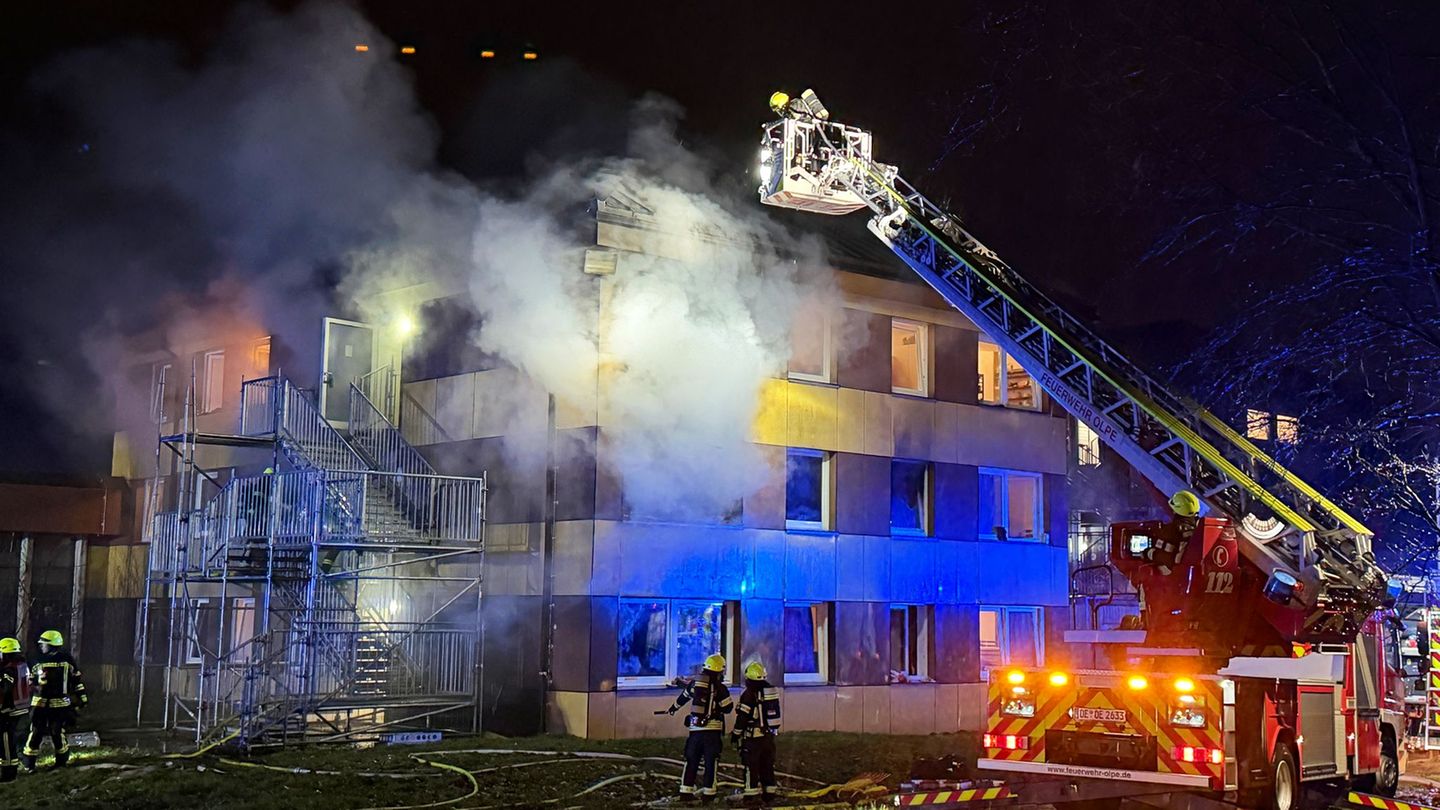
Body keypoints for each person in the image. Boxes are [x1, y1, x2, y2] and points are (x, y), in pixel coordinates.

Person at [666, 654, 732, 801]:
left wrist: (672, 708)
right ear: (720, 671)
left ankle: (685, 791)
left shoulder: (695, 684)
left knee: (691, 760)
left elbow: (683, 698)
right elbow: (728, 708)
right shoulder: (720, 688)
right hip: (712, 732)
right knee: (710, 762)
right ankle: (709, 794)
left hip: (695, 731)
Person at [21, 630, 87, 772]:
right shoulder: (35, 659)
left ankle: (61, 763)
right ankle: (29, 764)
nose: (42, 647)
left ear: (52, 645)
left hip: (59, 703)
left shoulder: (66, 659)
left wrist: (82, 696)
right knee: (36, 733)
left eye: (44, 644)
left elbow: (76, 680)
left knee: (56, 732)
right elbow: (29, 681)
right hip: (40, 703)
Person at [731, 661, 782, 804]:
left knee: (751, 766)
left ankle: (750, 795)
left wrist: (735, 734)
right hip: (768, 736)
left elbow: (742, 717)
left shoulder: (748, 695)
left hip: (753, 738)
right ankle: (769, 794)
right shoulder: (770, 691)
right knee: (767, 765)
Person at [0, 639, 27, 782]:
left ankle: (8, 775)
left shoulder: (8, 669)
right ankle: (10, 771)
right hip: (22, 709)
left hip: (10, 711)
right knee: (11, 743)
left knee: (6, 743)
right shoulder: (21, 665)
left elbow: (6, 688)